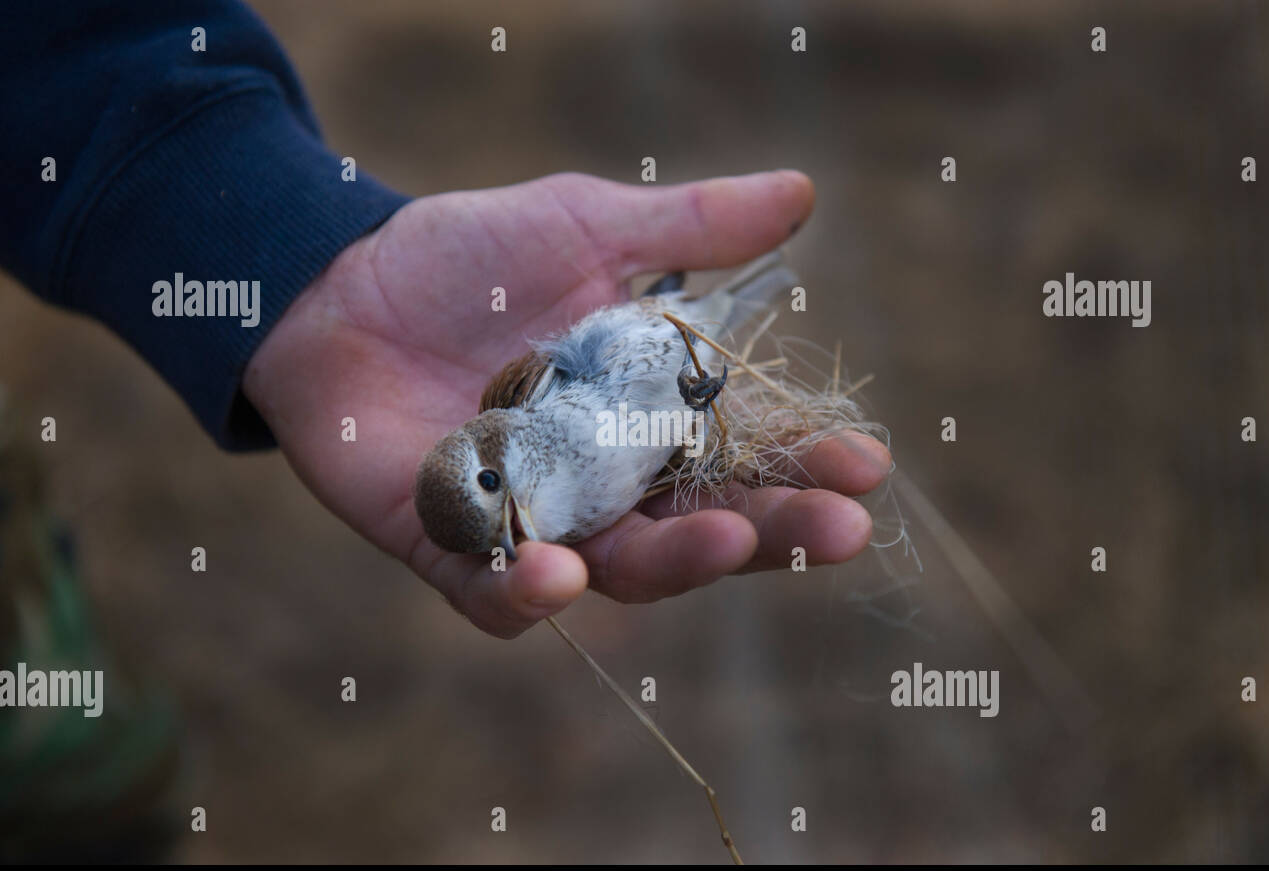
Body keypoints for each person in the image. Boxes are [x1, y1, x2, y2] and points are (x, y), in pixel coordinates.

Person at [0, 0, 892, 638]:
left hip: (671, 335)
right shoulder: (549, 521)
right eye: (501, 539)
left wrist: (303, 264)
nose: (518, 543)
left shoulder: (542, 401)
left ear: (502, 451)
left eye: (498, 509)